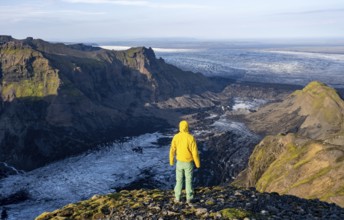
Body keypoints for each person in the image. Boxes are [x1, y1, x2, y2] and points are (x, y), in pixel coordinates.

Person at [169, 120, 200, 204]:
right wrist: (197, 164)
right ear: (187, 127)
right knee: (188, 180)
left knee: (179, 180)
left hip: (179, 162)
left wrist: (171, 161)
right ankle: (189, 198)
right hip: (188, 163)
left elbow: (172, 150)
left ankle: (177, 197)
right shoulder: (191, 138)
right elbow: (195, 153)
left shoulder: (176, 137)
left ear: (180, 127)